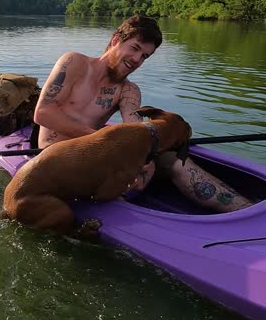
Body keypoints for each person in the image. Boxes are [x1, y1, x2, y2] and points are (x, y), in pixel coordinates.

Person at [33, 15, 253, 212]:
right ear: (116, 39)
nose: (137, 60)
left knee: (171, 160)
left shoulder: (128, 90)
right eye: (135, 48)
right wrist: (102, 140)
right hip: (56, 158)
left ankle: (247, 210)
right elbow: (43, 113)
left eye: (145, 56)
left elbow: (135, 129)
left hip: (97, 156)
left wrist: (145, 156)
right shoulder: (74, 62)